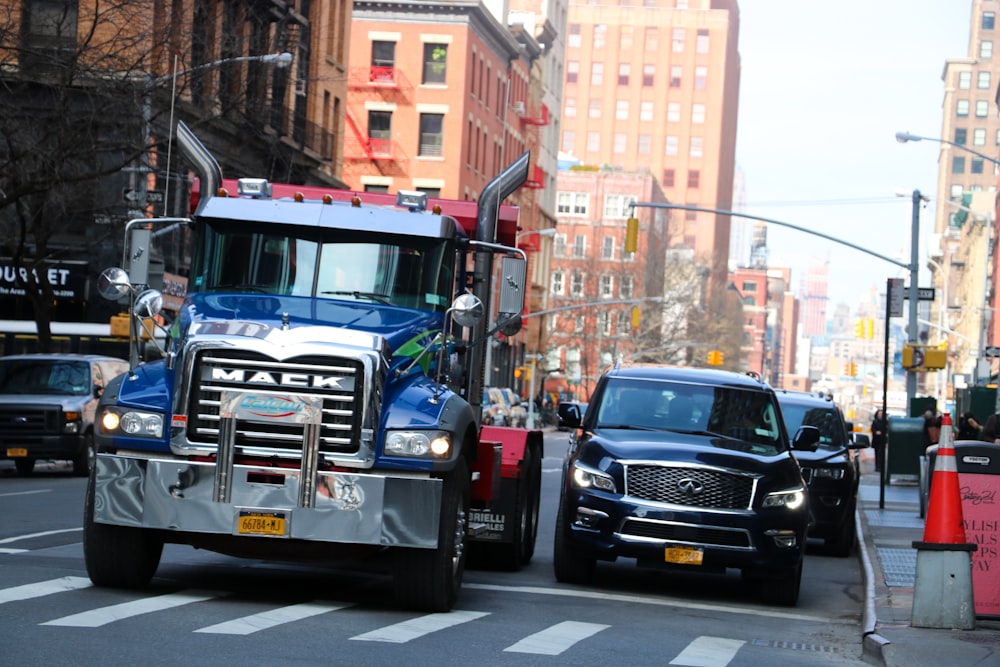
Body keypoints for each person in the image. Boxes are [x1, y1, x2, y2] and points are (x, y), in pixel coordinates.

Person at [870, 409, 887, 473]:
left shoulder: (885, 421)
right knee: (877, 454)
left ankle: (880, 467)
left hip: (882, 440)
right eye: (879, 414)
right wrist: (876, 432)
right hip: (876, 440)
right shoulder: (875, 421)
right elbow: (873, 430)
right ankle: (877, 467)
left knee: (881, 454)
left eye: (881, 414)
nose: (880, 415)